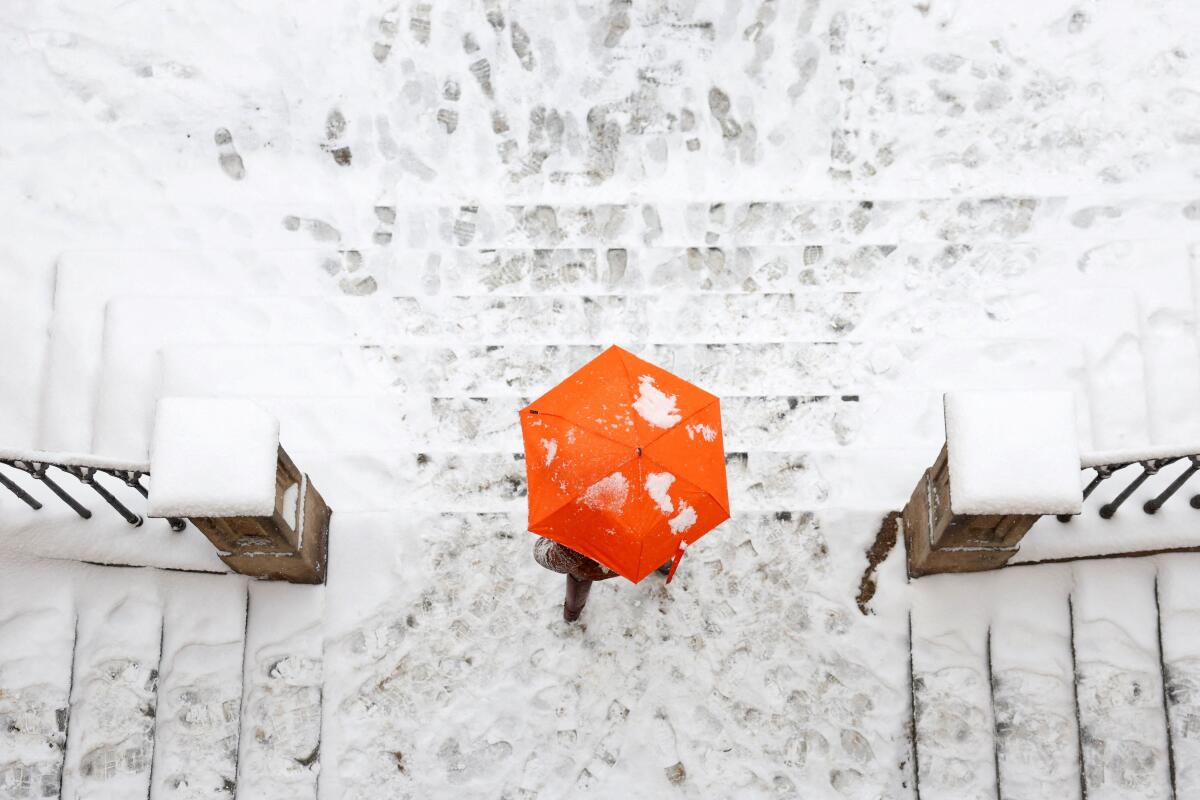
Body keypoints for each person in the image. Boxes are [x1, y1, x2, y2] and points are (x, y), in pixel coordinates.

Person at [534, 537, 671, 622]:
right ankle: (665, 565)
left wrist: (541, 545)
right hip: (643, 550)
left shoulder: (581, 521)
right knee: (658, 544)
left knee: (579, 581)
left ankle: (572, 614)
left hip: (594, 566)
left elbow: (558, 560)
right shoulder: (664, 499)